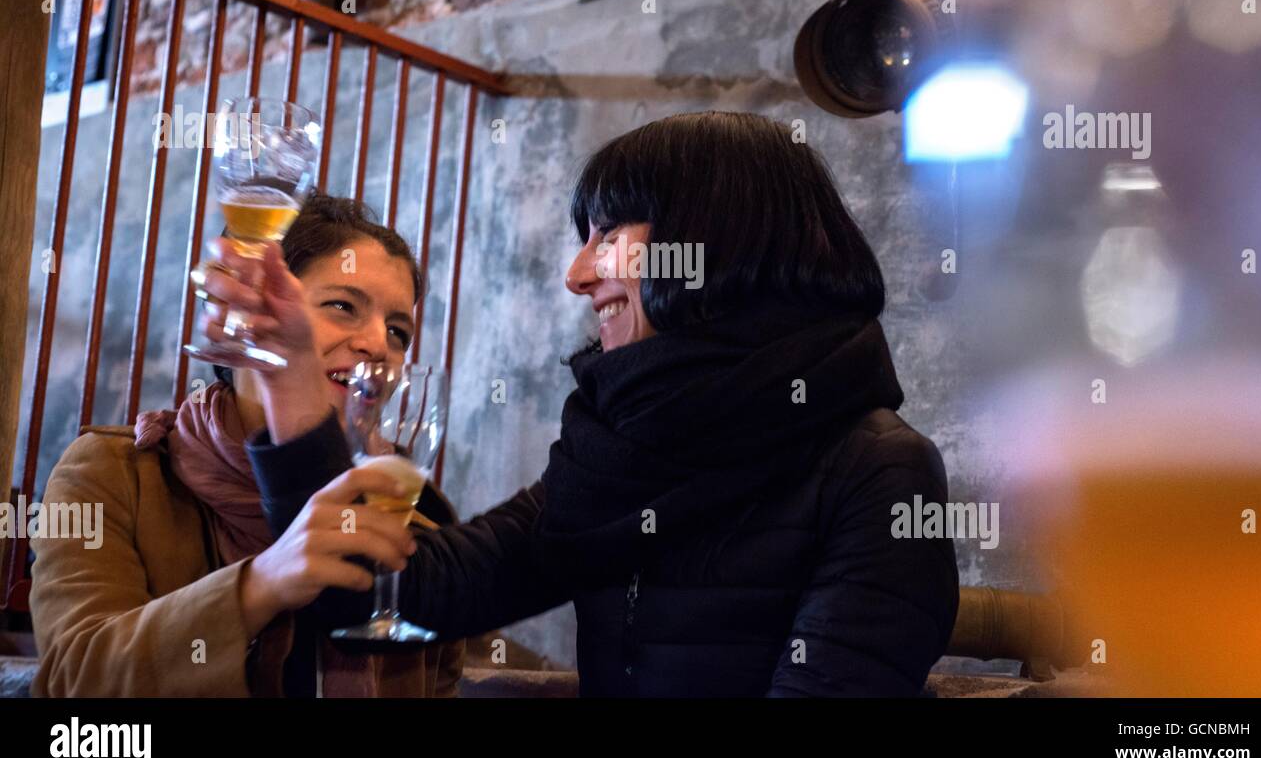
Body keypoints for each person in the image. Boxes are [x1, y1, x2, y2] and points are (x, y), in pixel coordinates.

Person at [213, 111, 960, 696]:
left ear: (713, 241)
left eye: (608, 234)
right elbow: (393, 593)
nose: (578, 274)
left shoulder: (880, 471)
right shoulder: (620, 449)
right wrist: (287, 376)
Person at [29, 193, 464, 697]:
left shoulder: (415, 512)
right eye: (343, 306)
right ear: (252, 312)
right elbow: (72, 681)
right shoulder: (115, 474)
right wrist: (260, 585)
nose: (377, 344)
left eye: (398, 331)